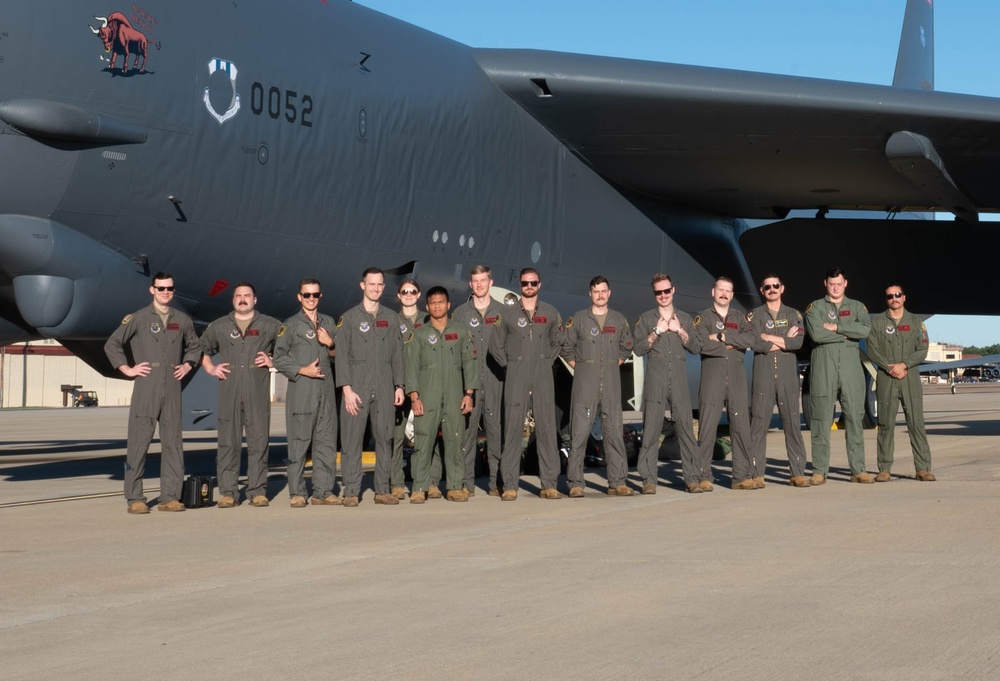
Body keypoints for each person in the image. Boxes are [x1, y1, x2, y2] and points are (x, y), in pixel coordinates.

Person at [104, 272, 200, 514]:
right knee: (138, 443)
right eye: (161, 288)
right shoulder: (138, 318)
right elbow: (112, 344)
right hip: (147, 385)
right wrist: (127, 368)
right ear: (152, 290)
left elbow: (195, 346)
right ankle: (135, 498)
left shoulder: (182, 319)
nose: (165, 292)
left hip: (172, 385)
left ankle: (170, 497)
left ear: (173, 290)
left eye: (169, 288)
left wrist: (188, 364)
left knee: (173, 444)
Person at [200, 282, 281, 507]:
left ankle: (257, 491)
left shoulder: (270, 325)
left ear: (255, 300)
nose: (242, 299)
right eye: (238, 296)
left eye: (247, 296)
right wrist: (211, 368)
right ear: (233, 300)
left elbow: (287, 350)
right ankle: (228, 492)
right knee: (228, 443)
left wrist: (272, 361)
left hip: (257, 391)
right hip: (230, 391)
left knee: (258, 442)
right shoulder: (219, 326)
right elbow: (202, 349)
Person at [489, 268, 564, 500]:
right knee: (512, 429)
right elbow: (495, 345)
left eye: (533, 283)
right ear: (520, 285)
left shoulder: (551, 313)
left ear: (539, 285)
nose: (529, 287)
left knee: (547, 430)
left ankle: (549, 484)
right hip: (516, 372)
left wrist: (546, 361)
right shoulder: (507, 314)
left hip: (542, 372)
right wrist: (509, 366)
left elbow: (558, 341)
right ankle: (510, 485)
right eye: (525, 283)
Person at [336, 267, 405, 507]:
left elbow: (398, 353)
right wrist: (346, 389)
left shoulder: (392, 318)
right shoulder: (349, 318)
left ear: (384, 287)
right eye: (371, 284)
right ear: (362, 285)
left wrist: (399, 386)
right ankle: (352, 491)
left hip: (385, 385)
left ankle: (382, 490)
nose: (375, 288)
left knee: (385, 439)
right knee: (352, 440)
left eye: (379, 285)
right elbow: (342, 356)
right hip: (357, 386)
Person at [404, 286, 479, 503]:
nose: (437, 306)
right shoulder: (418, 335)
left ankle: (455, 486)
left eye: (441, 302)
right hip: (427, 397)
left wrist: (469, 394)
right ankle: (419, 486)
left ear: (448, 305)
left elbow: (470, 364)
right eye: (433, 303)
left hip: (455, 396)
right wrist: (414, 397)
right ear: (427, 307)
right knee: (423, 442)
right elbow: (411, 367)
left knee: (455, 441)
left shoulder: (462, 332)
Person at [561, 276, 634, 496]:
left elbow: (626, 347)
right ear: (590, 294)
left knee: (613, 432)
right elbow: (566, 348)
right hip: (585, 383)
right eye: (596, 291)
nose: (600, 295)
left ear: (609, 293)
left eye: (603, 291)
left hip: (611, 384)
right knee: (580, 433)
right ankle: (575, 483)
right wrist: (583, 368)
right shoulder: (579, 319)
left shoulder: (619, 319)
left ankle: (618, 482)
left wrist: (613, 364)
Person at [272, 277, 339, 507]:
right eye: (307, 295)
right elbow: (278, 357)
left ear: (321, 296)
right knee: (299, 443)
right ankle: (298, 492)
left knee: (326, 443)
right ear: (299, 297)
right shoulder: (289, 325)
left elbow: (340, 356)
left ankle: (323, 491)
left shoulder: (330, 323)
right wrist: (302, 370)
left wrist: (330, 344)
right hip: (302, 390)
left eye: (315, 295)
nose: (311, 299)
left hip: (326, 392)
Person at [803, 267, 873, 484]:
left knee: (854, 418)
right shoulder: (814, 308)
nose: (835, 287)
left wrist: (835, 327)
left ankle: (858, 470)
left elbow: (864, 330)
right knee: (821, 419)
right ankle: (819, 471)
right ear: (826, 284)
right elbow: (816, 333)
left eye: (839, 283)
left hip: (851, 369)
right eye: (832, 284)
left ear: (845, 284)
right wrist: (845, 333)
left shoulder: (857, 307)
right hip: (824, 367)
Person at [632, 274, 699, 495]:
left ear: (673, 290)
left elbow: (696, 347)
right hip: (656, 377)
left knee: (686, 430)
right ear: (654, 294)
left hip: (678, 377)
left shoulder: (686, 318)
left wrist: (679, 330)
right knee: (651, 429)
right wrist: (657, 332)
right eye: (658, 292)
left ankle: (691, 478)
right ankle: (649, 479)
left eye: (666, 291)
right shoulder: (646, 318)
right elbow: (639, 348)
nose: (663, 295)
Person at [689, 276, 753, 491]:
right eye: (720, 289)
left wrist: (723, 338)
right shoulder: (702, 318)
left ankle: (740, 476)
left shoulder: (741, 317)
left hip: (736, 378)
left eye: (728, 290)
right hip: (712, 379)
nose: (724, 294)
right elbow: (699, 344)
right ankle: (704, 475)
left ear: (732, 295)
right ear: (713, 292)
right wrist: (730, 342)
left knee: (741, 427)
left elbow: (751, 339)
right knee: (707, 428)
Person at [865, 285, 935, 482]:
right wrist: (889, 368)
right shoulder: (877, 322)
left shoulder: (915, 322)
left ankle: (922, 468)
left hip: (909, 377)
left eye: (897, 295)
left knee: (916, 423)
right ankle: (884, 468)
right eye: (890, 296)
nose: (894, 298)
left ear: (904, 297)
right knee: (885, 424)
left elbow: (922, 349)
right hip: (887, 379)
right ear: (886, 299)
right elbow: (872, 350)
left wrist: (904, 364)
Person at [747, 274, 810, 488]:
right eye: (767, 287)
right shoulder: (754, 316)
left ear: (782, 288)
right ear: (762, 290)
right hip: (763, 378)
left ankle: (797, 472)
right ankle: (756, 474)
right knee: (758, 426)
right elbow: (754, 342)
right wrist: (783, 340)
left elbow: (798, 341)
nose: (772, 289)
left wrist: (768, 337)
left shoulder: (794, 315)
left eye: (775, 286)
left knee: (792, 424)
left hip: (788, 379)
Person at [452, 265, 505, 496]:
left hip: (497, 380)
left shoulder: (504, 312)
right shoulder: (461, 314)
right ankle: (466, 483)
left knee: (496, 432)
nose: (480, 285)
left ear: (491, 282)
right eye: (475, 281)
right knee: (467, 433)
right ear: (470, 285)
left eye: (483, 280)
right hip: (469, 383)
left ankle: (497, 483)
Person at [392, 279, 426, 499]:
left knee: (426, 436)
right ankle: (396, 482)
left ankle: (426, 481)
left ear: (418, 294)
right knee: (396, 437)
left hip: (424, 385)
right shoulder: (391, 321)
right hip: (399, 385)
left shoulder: (429, 319)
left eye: (412, 291)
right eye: (404, 291)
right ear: (398, 295)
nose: (408, 294)